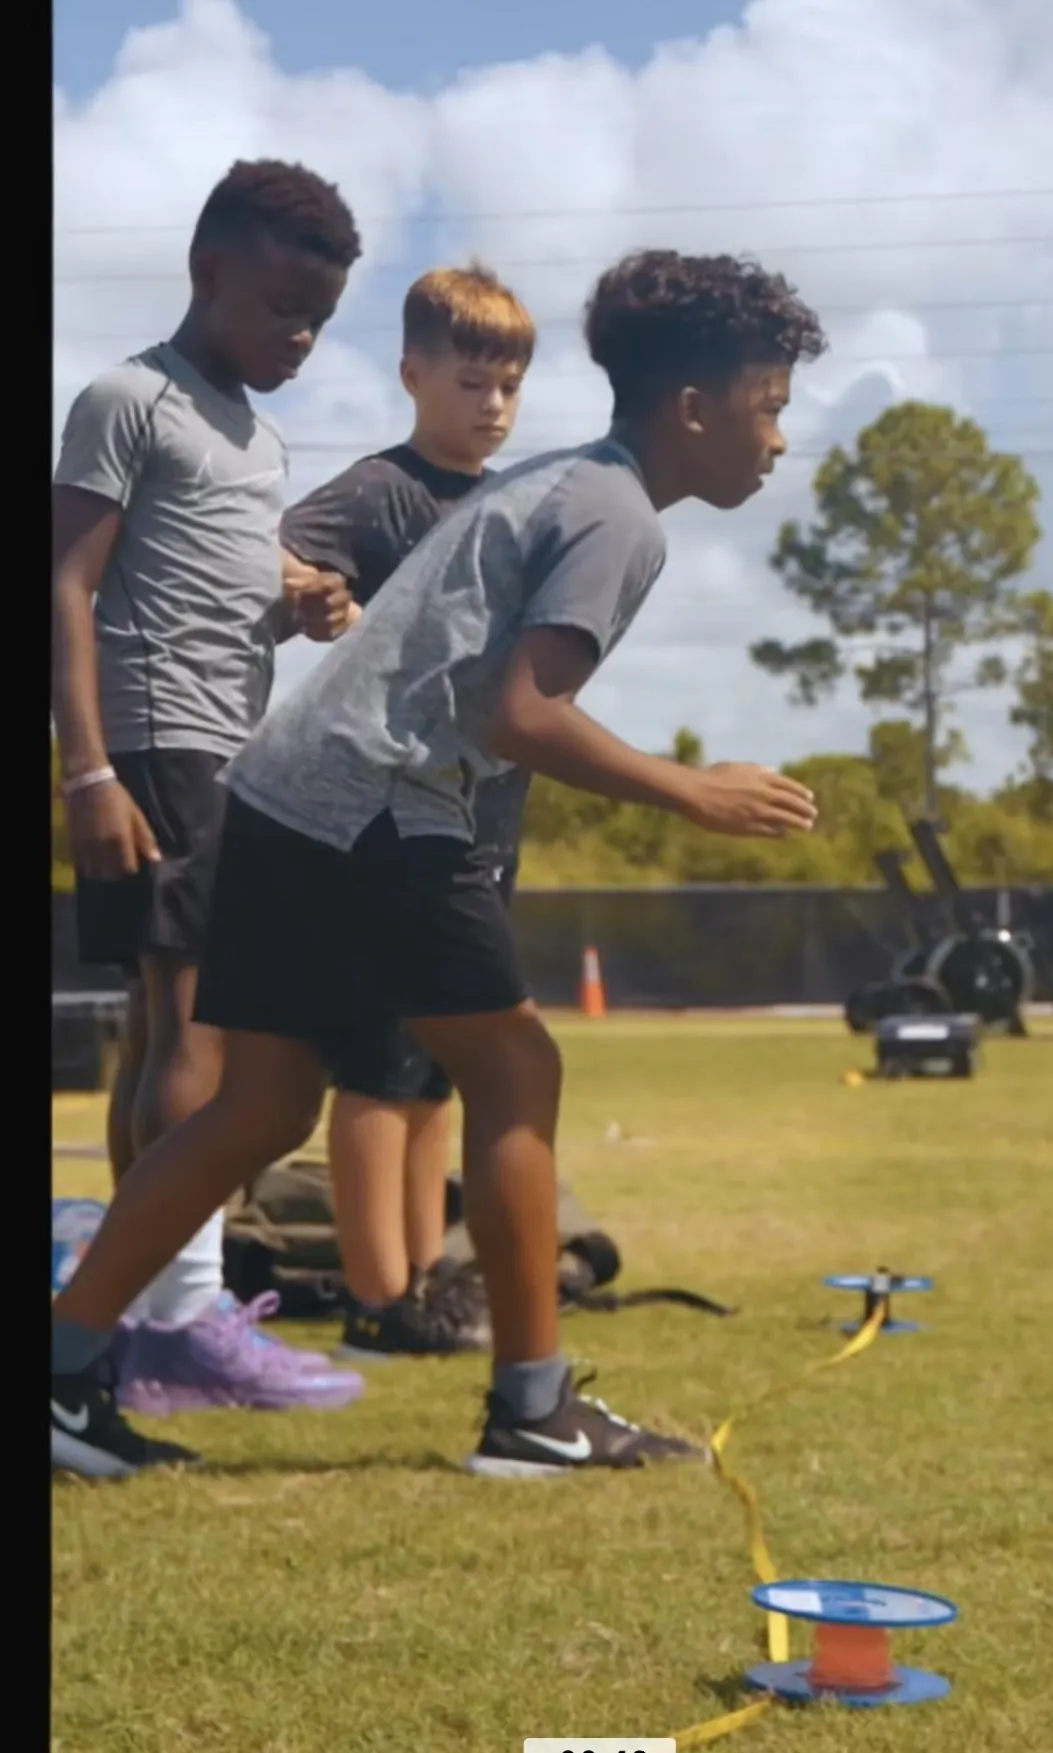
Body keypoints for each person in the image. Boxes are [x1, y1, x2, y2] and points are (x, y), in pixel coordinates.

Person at [50, 247, 826, 1480]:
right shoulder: (617, 516)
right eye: (770, 406)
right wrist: (692, 788)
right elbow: (520, 713)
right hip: (379, 806)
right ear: (695, 408)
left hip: (281, 792)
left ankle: (60, 1372)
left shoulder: (562, 482)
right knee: (517, 1067)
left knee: (261, 1106)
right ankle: (532, 1410)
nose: (778, 440)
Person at [51, 158, 366, 1416]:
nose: (300, 339)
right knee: (200, 1033)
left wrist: (307, 607)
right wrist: (83, 769)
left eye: (321, 321)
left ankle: (131, 1319)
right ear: (208, 270)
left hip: (227, 746)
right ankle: (174, 1322)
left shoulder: (262, 436)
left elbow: (219, 611)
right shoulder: (129, 399)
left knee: (165, 1031)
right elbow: (63, 586)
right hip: (157, 749)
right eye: (284, 309)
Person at [279, 264, 535, 1360]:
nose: (493, 404)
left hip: (484, 825)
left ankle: (429, 1275)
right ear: (412, 374)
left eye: (510, 385)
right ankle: (376, 1298)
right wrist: (310, 588)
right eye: (473, 380)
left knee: (443, 1066)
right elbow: (281, 547)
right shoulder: (378, 489)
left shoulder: (516, 504)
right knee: (377, 1070)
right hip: (383, 825)